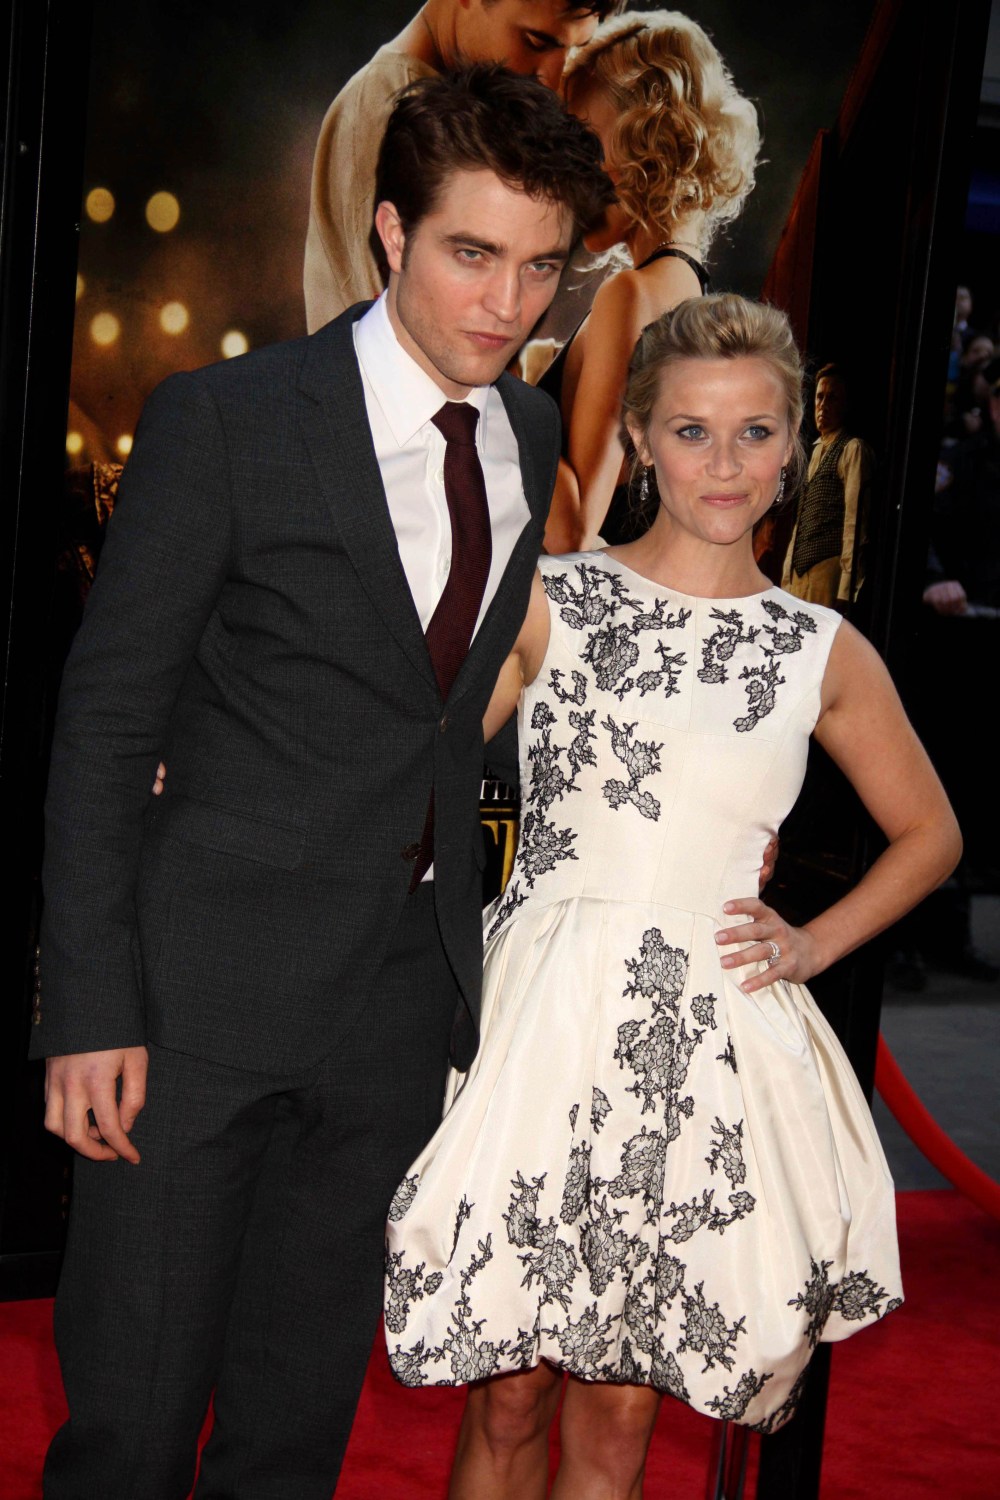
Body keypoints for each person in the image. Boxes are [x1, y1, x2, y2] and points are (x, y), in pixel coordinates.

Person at [31, 66, 613, 1500]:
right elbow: (106, 724)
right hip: (196, 1002)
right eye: (472, 253)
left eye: (541, 267)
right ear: (390, 232)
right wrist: (87, 1009)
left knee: (293, 1437)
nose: (506, 303)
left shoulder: (529, 435)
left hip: (395, 1006)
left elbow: (464, 717)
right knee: (131, 1433)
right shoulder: (227, 419)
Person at [385, 294, 960, 1496]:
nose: (725, 463)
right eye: (692, 431)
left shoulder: (816, 649)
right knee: (507, 1395)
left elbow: (931, 834)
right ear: (639, 438)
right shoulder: (554, 597)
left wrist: (812, 944)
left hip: (696, 1053)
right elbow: (411, 771)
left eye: (755, 432)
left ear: (793, 444)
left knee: (617, 1419)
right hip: (540, 1025)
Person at [535, 8, 760, 552]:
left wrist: (503, 395)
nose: (566, 175)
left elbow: (574, 531)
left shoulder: (631, 296)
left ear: (649, 146)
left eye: (586, 147)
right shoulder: (687, 293)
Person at [303, 0, 622, 333]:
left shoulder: (460, 106)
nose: (552, 81)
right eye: (536, 42)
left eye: (574, 50)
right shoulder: (388, 110)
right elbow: (398, 333)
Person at [782, 363, 874, 610]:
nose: (823, 405)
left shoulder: (852, 449)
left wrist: (846, 586)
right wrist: (787, 578)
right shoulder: (813, 452)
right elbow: (802, 521)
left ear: (846, 404)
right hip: (799, 574)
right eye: (819, 397)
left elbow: (855, 524)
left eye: (832, 398)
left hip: (828, 570)